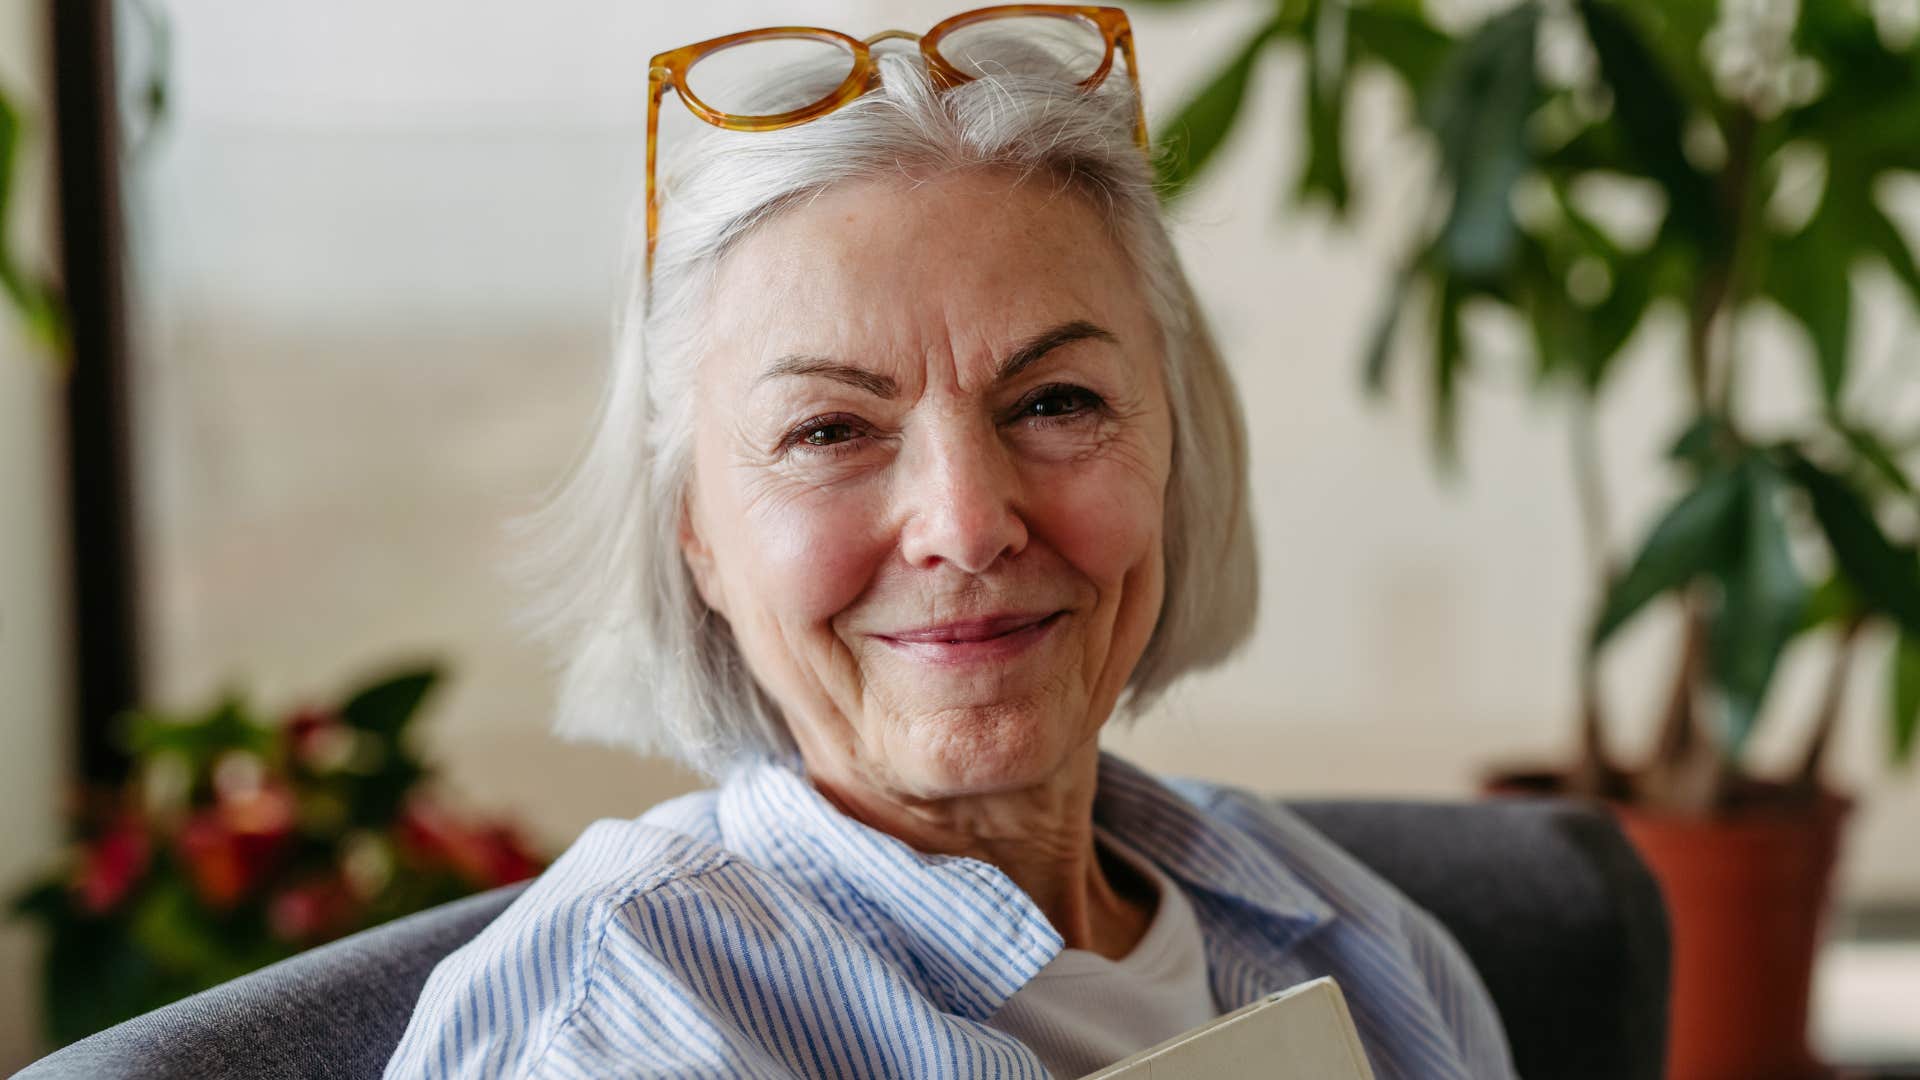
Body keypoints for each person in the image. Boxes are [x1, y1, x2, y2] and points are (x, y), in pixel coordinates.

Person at [385, 6, 1515, 1077]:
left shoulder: (1354, 939)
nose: (967, 524)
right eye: (829, 429)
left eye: (1056, 403)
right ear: (697, 538)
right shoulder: (622, 1019)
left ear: (1179, 447)